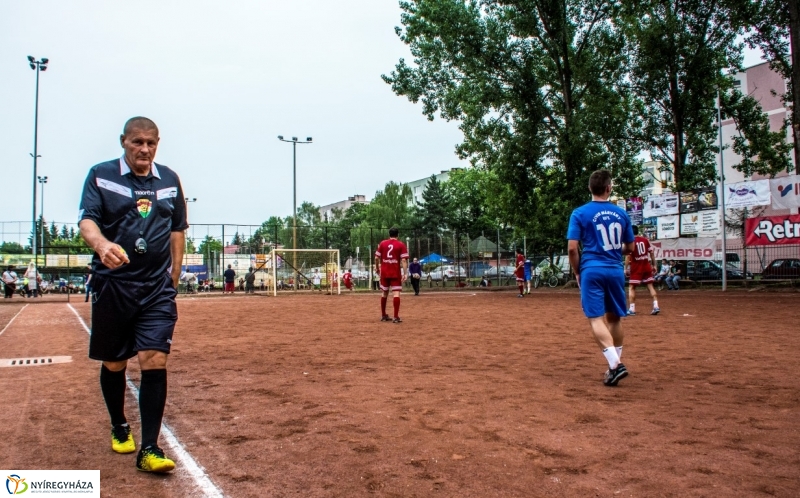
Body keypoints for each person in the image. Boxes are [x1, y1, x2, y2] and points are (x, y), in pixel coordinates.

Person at [78, 116, 187, 473]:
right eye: (137, 142)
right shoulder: (101, 175)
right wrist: (101, 243)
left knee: (155, 359)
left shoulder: (170, 180)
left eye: (151, 143)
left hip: (156, 289)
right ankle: (119, 424)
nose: (144, 149)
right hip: (113, 287)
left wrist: (173, 275)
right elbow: (87, 221)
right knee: (114, 362)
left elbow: (177, 230)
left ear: (158, 143)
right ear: (123, 141)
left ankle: (150, 448)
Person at [567, 169, 635, 387]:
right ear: (609, 188)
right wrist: (613, 250)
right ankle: (613, 367)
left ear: (590, 188)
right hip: (615, 269)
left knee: (596, 318)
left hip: (592, 270)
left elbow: (572, 249)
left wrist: (578, 271)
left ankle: (615, 364)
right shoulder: (621, 214)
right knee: (615, 317)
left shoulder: (579, 213)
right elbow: (630, 247)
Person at [375, 227, 409, 323]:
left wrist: (378, 268)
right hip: (395, 272)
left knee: (384, 293)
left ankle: (383, 315)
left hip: (384, 272)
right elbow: (403, 260)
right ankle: (395, 317)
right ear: (397, 235)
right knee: (396, 293)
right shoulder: (401, 245)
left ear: (389, 234)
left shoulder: (382, 243)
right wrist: (405, 273)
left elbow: (376, 258)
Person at [625, 225, 659, 316]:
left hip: (636, 267)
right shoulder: (645, 240)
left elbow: (628, 256)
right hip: (646, 265)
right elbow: (651, 254)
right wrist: (654, 265)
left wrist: (625, 268)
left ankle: (632, 309)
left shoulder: (631, 242)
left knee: (632, 287)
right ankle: (656, 306)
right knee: (650, 286)